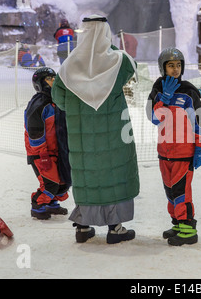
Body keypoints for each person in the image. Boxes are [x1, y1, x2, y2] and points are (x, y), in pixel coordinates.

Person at [51, 15, 140, 244]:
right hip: (115, 136)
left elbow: (58, 99)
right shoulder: (119, 62)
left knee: (87, 177)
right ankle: (115, 227)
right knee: (113, 175)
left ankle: (82, 227)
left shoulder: (68, 67)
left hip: (82, 140)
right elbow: (133, 68)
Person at [146, 47, 201, 246]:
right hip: (164, 153)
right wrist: (163, 99)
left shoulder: (189, 93)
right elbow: (153, 118)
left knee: (182, 192)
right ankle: (177, 224)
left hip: (184, 152)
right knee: (170, 192)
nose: (175, 69)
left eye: (178, 65)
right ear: (162, 68)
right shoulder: (157, 91)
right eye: (171, 65)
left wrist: (199, 148)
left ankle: (188, 229)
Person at [24, 67, 71, 220]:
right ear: (40, 83)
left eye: (54, 78)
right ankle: (37, 205)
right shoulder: (39, 103)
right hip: (41, 153)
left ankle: (51, 204)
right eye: (49, 79)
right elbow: (34, 131)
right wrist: (42, 153)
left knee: (63, 181)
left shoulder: (57, 101)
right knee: (50, 183)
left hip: (57, 150)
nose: (53, 81)